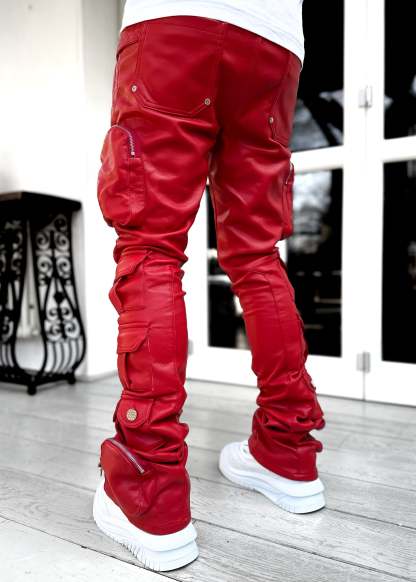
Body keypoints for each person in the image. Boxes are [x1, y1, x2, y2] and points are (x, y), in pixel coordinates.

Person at [93, 0, 326, 573]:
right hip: (273, 41)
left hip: (176, 22)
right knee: (257, 253)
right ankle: (288, 448)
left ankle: (149, 484)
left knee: (150, 245)